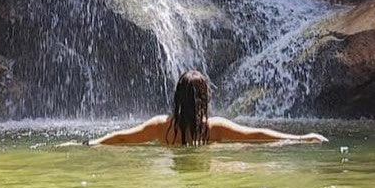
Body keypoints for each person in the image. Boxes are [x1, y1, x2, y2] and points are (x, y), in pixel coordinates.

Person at [88, 70, 328, 146]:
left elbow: (121, 138)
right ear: (205, 98)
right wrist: (301, 138)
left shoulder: (161, 126)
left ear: (177, 97)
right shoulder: (214, 129)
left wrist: (92, 143)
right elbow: (258, 135)